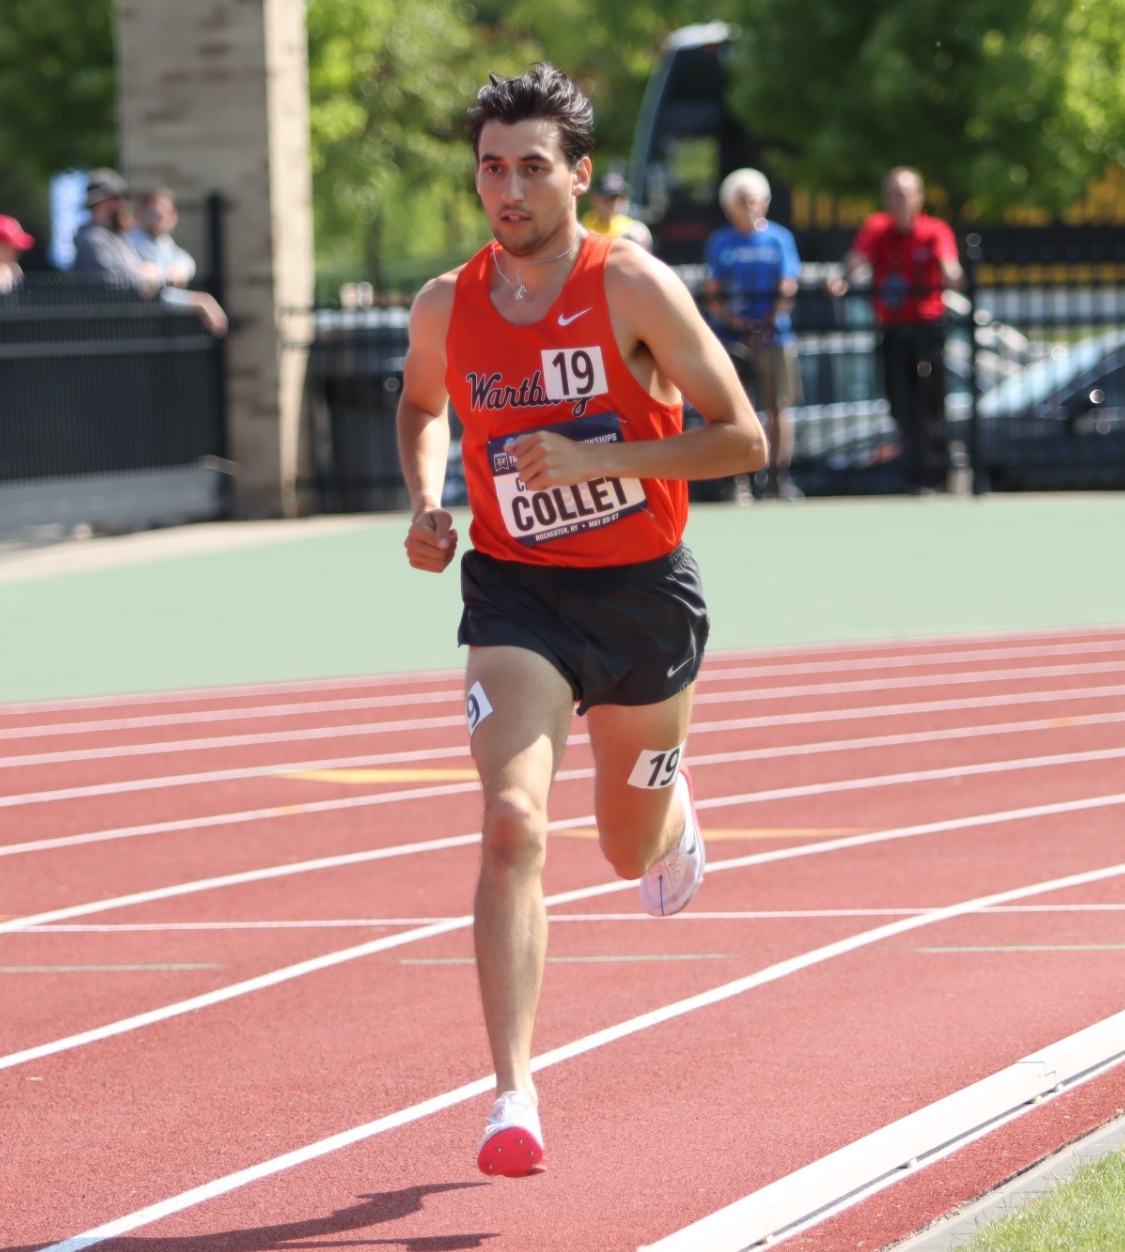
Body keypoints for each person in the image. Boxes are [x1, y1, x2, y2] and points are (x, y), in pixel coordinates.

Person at [395, 63, 766, 1180]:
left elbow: (742, 438)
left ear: (577, 176)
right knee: (512, 824)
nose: (506, 189)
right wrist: (424, 499)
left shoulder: (631, 286)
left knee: (623, 847)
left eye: (530, 168)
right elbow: (421, 404)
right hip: (516, 594)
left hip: (641, 592)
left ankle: (670, 804)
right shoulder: (444, 303)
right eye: (489, 169)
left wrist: (601, 456)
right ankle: (512, 1091)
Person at [829, 168, 962, 496]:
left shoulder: (935, 230)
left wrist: (953, 274)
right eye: (891, 194)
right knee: (898, 399)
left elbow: (951, 268)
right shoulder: (877, 228)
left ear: (919, 197)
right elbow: (855, 261)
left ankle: (935, 470)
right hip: (892, 328)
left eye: (903, 194)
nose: (897, 201)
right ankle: (916, 467)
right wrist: (841, 278)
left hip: (926, 330)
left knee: (929, 400)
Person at [702, 168, 802, 501]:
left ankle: (778, 476)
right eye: (744, 201)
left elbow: (787, 286)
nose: (751, 207)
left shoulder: (779, 239)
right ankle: (739, 480)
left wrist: (768, 322)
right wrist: (736, 322)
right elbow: (713, 291)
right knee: (735, 409)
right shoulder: (721, 242)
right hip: (732, 337)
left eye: (756, 200)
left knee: (778, 406)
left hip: (774, 337)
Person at [128, 186, 229, 336]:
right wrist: (198, 301)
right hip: (137, 332)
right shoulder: (133, 241)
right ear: (141, 213)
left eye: (168, 212)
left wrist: (181, 268)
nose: (160, 218)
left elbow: (185, 261)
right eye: (154, 213)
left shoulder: (164, 243)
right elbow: (159, 293)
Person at [73, 168, 161, 295]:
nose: (123, 204)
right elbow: (109, 284)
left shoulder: (119, 236)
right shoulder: (92, 239)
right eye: (118, 198)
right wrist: (141, 279)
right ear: (103, 202)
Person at [580, 170, 653, 252]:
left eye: (619, 198)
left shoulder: (633, 231)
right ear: (594, 199)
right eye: (609, 199)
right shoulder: (583, 227)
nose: (614, 204)